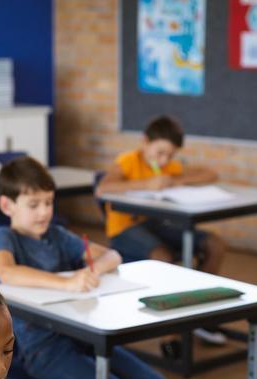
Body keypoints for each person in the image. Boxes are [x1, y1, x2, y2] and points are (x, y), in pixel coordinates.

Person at [0, 156, 178, 379]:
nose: (43, 212)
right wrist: (65, 283)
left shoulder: (58, 235)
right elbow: (6, 272)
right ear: (7, 205)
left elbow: (112, 254)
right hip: (44, 349)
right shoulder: (5, 237)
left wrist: (93, 271)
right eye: (33, 205)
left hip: (84, 337)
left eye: (48, 203)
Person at [96, 114, 229, 346]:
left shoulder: (169, 166)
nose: (164, 158)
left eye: (170, 154)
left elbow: (211, 174)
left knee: (214, 244)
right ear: (145, 142)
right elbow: (103, 188)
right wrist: (145, 184)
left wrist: (176, 181)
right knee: (163, 256)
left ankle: (199, 315)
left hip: (155, 225)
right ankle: (171, 331)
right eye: (159, 152)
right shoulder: (129, 160)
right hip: (124, 230)